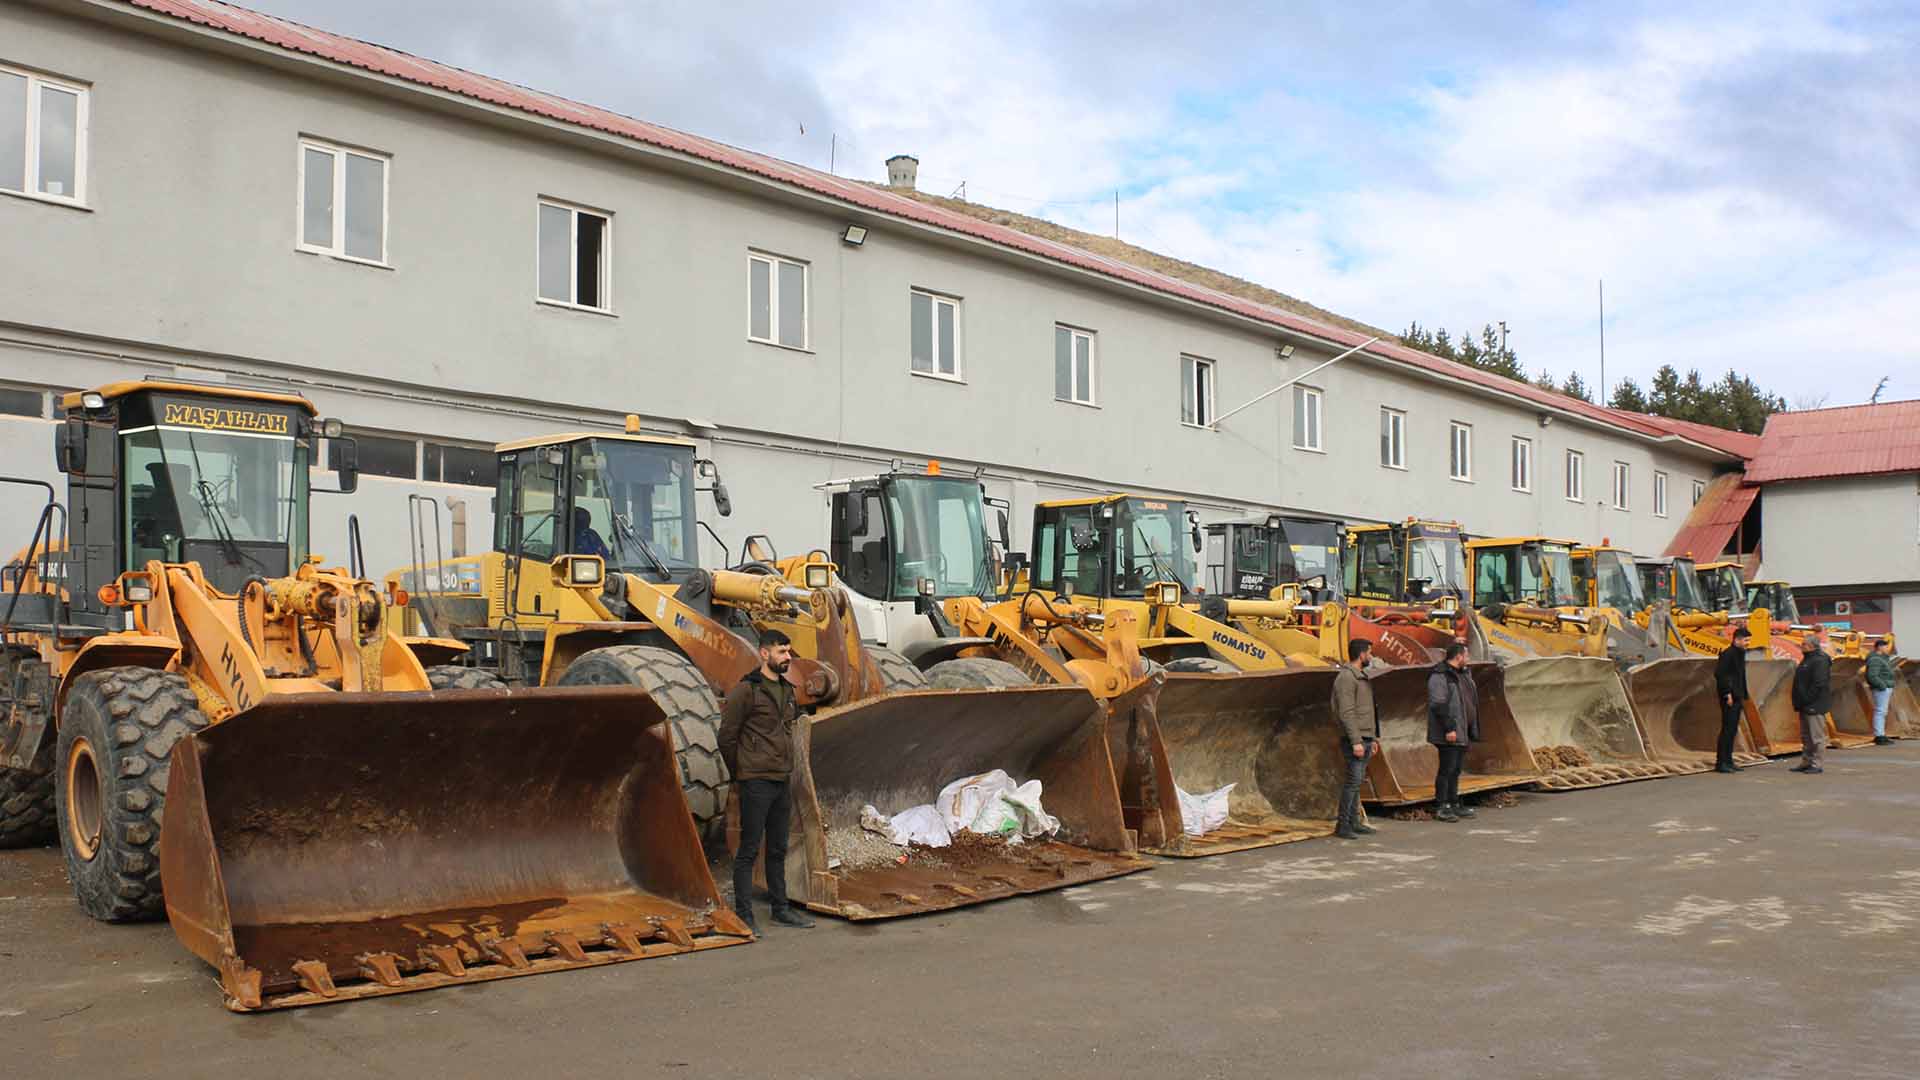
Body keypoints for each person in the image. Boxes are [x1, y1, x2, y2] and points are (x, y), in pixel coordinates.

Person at [718, 629, 815, 932]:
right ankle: (744, 914)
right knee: (749, 849)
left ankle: (780, 909)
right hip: (755, 781)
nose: (788, 657)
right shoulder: (746, 691)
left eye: (788, 651)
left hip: (780, 780)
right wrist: (741, 772)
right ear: (764, 654)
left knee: (777, 848)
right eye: (782, 652)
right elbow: (727, 736)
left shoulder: (787, 689)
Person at [1330, 638, 1380, 840]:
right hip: (1356, 739)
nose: (1371, 657)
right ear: (1361, 654)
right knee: (1352, 782)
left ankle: (1354, 822)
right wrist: (1356, 741)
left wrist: (1373, 738)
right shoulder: (1347, 678)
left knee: (1357, 782)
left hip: (1365, 737)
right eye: (1369, 653)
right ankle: (1343, 825)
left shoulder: (1360, 677)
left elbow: (1367, 711)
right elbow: (1347, 712)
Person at [1427, 642, 1481, 822]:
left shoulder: (1463, 674)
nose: (1468, 659)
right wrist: (1449, 727)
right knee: (1447, 769)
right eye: (1466, 656)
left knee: (1456, 769)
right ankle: (1442, 806)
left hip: (1462, 730)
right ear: (1458, 656)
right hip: (1449, 732)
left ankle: (1454, 802)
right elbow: (1438, 703)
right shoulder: (1441, 675)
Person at [1789, 632, 1832, 775]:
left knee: (1816, 736)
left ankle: (1817, 764)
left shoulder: (1820, 660)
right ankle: (1806, 761)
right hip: (1805, 704)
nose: (1801, 647)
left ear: (1812, 646)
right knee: (1806, 736)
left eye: (1804, 645)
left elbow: (1819, 683)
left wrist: (1807, 699)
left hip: (1814, 704)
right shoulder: (1807, 659)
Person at [1713, 625, 1752, 773]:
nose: (1748, 643)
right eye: (1746, 640)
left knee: (1732, 730)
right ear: (1737, 640)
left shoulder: (1740, 653)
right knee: (1727, 730)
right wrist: (1727, 693)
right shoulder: (1728, 654)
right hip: (1729, 697)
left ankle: (1728, 760)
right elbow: (1720, 675)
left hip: (1738, 695)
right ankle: (1721, 762)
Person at [1866, 638, 1898, 746]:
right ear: (1879, 647)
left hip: (1884, 688)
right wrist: (1882, 686)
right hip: (1881, 689)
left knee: (1882, 712)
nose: (1887, 648)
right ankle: (1879, 736)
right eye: (1885, 646)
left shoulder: (1881, 658)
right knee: (1880, 712)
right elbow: (1871, 675)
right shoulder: (1875, 659)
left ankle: (1881, 734)